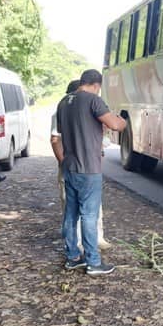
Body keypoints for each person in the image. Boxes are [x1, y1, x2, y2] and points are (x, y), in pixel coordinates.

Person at [57, 69, 126, 275]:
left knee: (70, 213)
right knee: (89, 215)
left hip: (69, 166)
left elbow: (61, 133)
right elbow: (114, 124)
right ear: (96, 85)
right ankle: (93, 262)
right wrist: (123, 121)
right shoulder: (93, 100)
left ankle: (72, 257)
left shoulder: (63, 102)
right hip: (88, 168)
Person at [51, 80, 110, 250]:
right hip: (76, 168)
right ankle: (83, 250)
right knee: (79, 212)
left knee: (87, 209)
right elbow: (55, 140)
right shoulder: (62, 110)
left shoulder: (81, 108)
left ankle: (89, 243)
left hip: (82, 166)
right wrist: (64, 163)